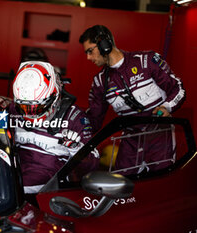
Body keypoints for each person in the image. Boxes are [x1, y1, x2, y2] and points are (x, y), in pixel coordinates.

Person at [79, 25, 185, 174]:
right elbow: (93, 120)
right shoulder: (100, 82)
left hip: (159, 136)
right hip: (130, 143)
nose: (88, 57)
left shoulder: (146, 61)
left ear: (104, 44)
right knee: (122, 188)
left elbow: (178, 88)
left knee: (159, 185)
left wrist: (166, 107)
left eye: (90, 51)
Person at [9, 61, 99, 197]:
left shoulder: (75, 118)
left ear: (54, 97)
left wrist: (76, 148)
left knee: (8, 189)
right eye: (24, 107)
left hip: (48, 188)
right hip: (13, 171)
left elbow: (92, 166)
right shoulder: (10, 110)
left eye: (36, 108)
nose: (30, 114)